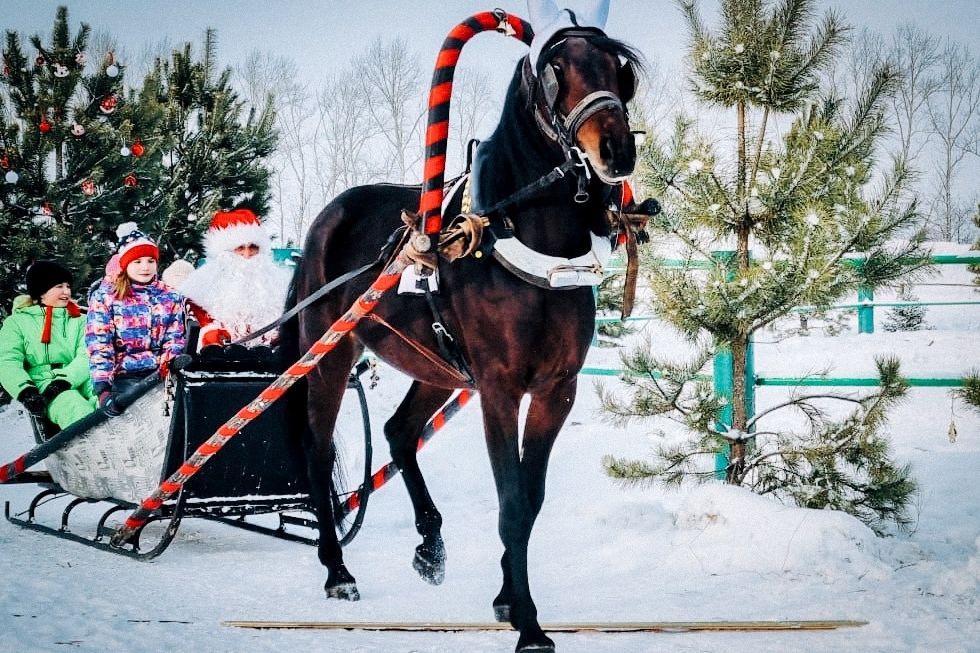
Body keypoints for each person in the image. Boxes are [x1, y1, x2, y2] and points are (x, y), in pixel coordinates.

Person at [85, 223, 186, 408]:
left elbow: (175, 337)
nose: (145, 267)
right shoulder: (106, 297)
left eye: (150, 261)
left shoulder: (170, 297)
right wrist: (103, 387)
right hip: (123, 376)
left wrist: (170, 364)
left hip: (159, 374)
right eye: (137, 262)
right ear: (126, 264)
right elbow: (99, 343)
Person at [0, 261, 97, 429]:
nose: (66, 291)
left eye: (68, 286)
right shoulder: (17, 323)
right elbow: (7, 361)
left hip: (81, 376)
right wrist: (25, 391)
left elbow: (88, 353)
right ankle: (95, 449)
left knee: (106, 396)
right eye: (59, 286)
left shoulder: (80, 319)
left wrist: (66, 379)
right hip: (43, 385)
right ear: (41, 291)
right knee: (75, 408)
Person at [177, 208, 291, 350]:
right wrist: (211, 335)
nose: (247, 254)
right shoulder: (199, 290)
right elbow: (198, 326)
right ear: (225, 252)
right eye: (240, 248)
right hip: (218, 362)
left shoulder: (280, 286)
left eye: (253, 247)